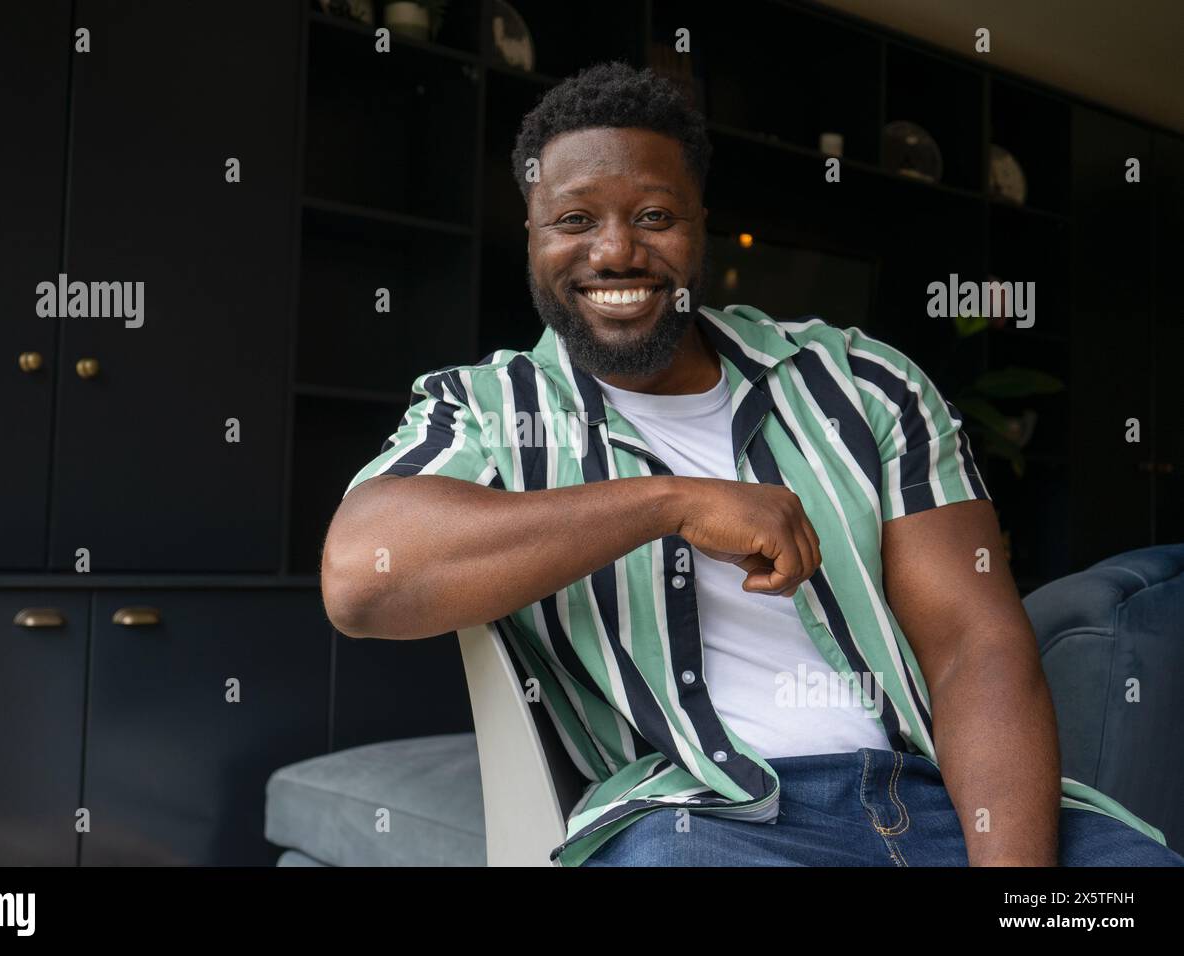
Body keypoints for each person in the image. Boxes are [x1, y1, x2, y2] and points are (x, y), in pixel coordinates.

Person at [321, 61, 1180, 867]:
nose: (615, 252)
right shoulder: (485, 408)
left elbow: (974, 646)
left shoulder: (862, 381)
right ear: (534, 234)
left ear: (700, 223)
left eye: (653, 216)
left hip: (947, 802)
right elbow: (363, 579)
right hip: (706, 824)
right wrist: (671, 503)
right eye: (575, 220)